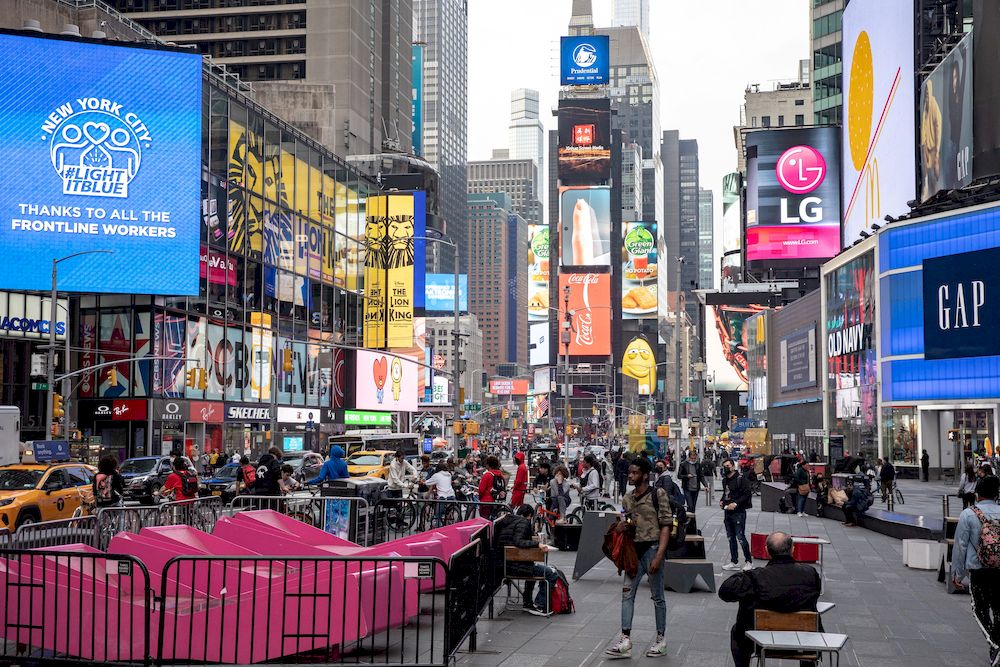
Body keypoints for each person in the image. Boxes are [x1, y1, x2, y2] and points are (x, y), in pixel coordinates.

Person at [718, 532, 823, 667]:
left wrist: (745, 575)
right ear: (793, 549)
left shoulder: (755, 577)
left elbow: (725, 592)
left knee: (737, 631)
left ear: (767, 551)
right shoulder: (810, 574)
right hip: (802, 640)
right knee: (811, 627)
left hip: (758, 641)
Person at [604, 456, 671, 659]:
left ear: (644, 475)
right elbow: (625, 520)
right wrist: (621, 527)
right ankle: (625, 640)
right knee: (627, 594)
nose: (631, 476)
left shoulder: (658, 494)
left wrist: (659, 556)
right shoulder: (627, 498)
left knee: (658, 597)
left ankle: (661, 640)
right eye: (630, 472)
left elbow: (666, 526)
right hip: (633, 552)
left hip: (652, 549)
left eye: (634, 473)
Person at [951, 475, 1000, 665]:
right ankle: (995, 648)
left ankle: (995, 644)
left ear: (978, 494)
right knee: (998, 608)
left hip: (979, 570)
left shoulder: (969, 514)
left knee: (979, 608)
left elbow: (960, 546)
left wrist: (957, 573)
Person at [493, 504, 558, 616]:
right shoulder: (524, 523)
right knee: (551, 573)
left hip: (503, 564)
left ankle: (528, 602)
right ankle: (540, 605)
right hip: (515, 566)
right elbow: (519, 541)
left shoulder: (509, 521)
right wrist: (538, 544)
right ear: (529, 516)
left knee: (532, 567)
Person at [720, 459, 753, 571]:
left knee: (740, 537)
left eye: (728, 466)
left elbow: (747, 494)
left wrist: (736, 503)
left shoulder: (741, 479)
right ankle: (734, 561)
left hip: (738, 512)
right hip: (727, 512)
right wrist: (722, 501)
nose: (726, 468)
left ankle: (748, 561)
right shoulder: (725, 480)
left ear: (733, 466)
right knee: (730, 537)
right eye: (724, 466)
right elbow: (726, 493)